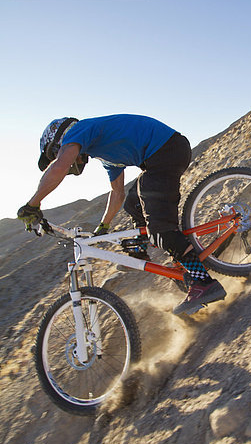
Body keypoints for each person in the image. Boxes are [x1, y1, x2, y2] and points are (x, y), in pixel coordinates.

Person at [17, 114, 226, 315]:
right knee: (133, 203)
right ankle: (148, 253)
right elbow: (117, 194)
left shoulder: (79, 130)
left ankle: (203, 282)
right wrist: (103, 227)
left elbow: (60, 166)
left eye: (56, 153)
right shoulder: (105, 155)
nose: (65, 159)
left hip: (166, 152)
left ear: (58, 141)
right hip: (166, 153)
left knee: (160, 228)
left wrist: (33, 205)